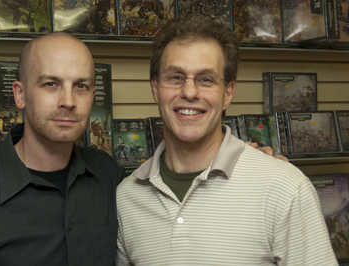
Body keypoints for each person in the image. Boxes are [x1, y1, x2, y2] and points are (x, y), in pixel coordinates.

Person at [116, 15, 337, 265]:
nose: (189, 92)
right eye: (175, 77)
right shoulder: (127, 197)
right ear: (155, 87)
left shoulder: (285, 188)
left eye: (206, 79)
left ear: (228, 93)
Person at [0, 33, 123, 266]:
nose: (68, 100)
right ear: (20, 94)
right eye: (51, 84)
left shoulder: (108, 176)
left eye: (81, 86)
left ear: (92, 97)